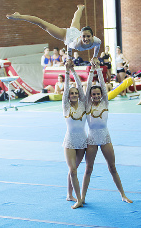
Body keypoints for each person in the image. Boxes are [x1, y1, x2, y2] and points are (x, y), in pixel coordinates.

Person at [81, 59, 133, 204]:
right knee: (88, 169)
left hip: (105, 138)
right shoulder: (87, 104)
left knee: (112, 168)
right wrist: (92, 71)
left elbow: (103, 86)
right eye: (94, 94)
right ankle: (83, 197)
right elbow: (89, 88)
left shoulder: (105, 102)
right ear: (90, 96)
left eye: (98, 94)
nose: (97, 96)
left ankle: (122, 194)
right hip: (91, 139)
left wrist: (98, 69)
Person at [6, 5, 101, 60]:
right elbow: (69, 46)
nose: (86, 39)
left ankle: (80, 8)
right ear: (81, 36)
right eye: (84, 36)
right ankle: (19, 16)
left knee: (76, 19)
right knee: (42, 24)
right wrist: (69, 58)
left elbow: (98, 46)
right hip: (66, 35)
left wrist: (95, 57)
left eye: (88, 36)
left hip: (75, 32)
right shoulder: (76, 44)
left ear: (92, 36)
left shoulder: (97, 41)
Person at [62, 60, 87, 209]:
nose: (73, 94)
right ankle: (79, 199)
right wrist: (66, 72)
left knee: (73, 170)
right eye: (71, 93)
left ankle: (69, 194)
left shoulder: (83, 104)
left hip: (82, 142)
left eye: (75, 93)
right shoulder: (66, 106)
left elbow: (80, 88)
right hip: (70, 141)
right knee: (73, 170)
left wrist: (74, 71)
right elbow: (66, 89)